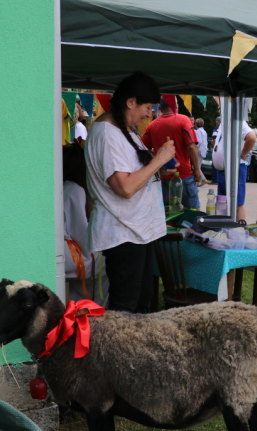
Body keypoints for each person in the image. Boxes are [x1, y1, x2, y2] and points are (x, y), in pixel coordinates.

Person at [85, 72, 176, 313]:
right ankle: (118, 351)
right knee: (126, 308)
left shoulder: (125, 128)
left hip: (136, 231)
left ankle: (132, 350)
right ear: (130, 102)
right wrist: (159, 160)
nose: (150, 113)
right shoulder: (106, 133)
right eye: (147, 107)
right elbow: (124, 187)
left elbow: (134, 175)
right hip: (123, 233)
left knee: (141, 300)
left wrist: (159, 173)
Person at [62, 143, 109, 307]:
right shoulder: (75, 190)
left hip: (65, 251)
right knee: (105, 264)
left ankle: (77, 304)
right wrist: (97, 249)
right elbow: (80, 232)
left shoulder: (64, 187)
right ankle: (94, 307)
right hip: (68, 254)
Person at [141, 98, 202, 208]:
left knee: (167, 212)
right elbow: (192, 147)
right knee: (193, 212)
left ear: (160, 108)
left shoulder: (152, 125)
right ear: (175, 106)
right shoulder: (184, 120)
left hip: (162, 177)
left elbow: (143, 149)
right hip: (183, 175)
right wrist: (197, 170)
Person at [211, 118, 256, 223]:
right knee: (222, 202)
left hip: (235, 168)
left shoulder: (237, 120)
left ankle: (239, 233)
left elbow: (252, 138)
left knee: (237, 203)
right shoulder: (224, 122)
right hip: (222, 170)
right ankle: (221, 230)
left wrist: (243, 153)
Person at [194, 118, 208, 182]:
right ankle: (200, 179)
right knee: (198, 166)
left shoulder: (198, 131)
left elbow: (198, 141)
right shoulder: (204, 131)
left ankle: (203, 179)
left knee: (196, 167)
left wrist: (195, 146)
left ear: (196, 124)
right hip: (203, 150)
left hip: (199, 150)